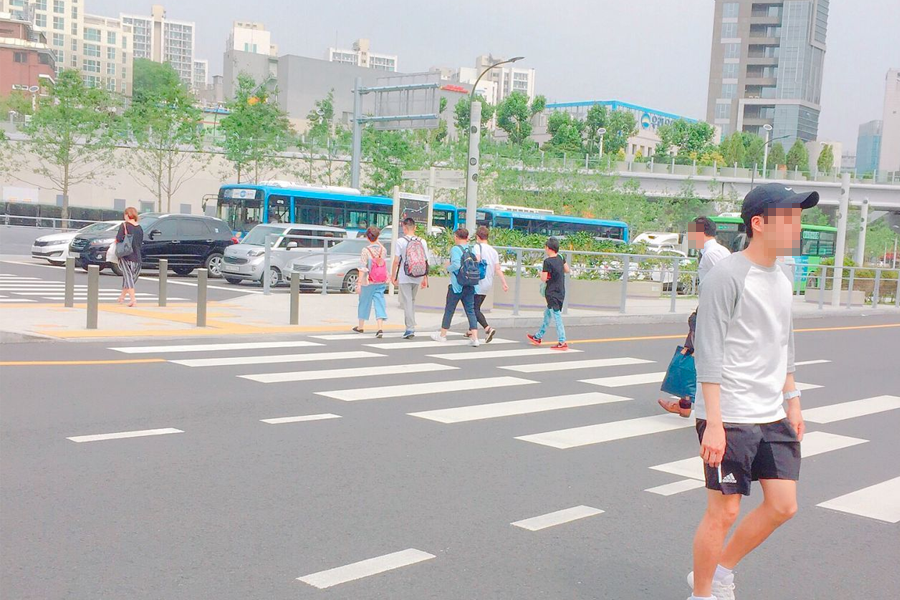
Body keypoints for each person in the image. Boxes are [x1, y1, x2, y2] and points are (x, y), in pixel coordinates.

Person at [687, 183, 816, 600]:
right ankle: (703, 593)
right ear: (758, 224)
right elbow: (709, 351)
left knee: (783, 505)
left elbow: (784, 342)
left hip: (770, 411)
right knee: (723, 511)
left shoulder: (781, 278)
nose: (797, 225)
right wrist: (714, 423)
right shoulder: (727, 276)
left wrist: (792, 399)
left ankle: (721, 570)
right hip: (731, 412)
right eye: (789, 216)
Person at [659, 217, 731, 417]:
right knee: (691, 353)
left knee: (697, 356)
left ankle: (696, 405)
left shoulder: (713, 253)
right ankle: (685, 403)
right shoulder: (712, 252)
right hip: (707, 310)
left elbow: (728, 281)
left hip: (712, 312)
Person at [431, 228, 480, 347]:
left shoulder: (455, 249)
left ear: (457, 237)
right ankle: (475, 338)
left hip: (457, 285)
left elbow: (457, 265)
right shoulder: (471, 248)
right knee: (470, 310)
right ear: (467, 237)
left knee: (449, 310)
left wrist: (447, 267)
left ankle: (442, 335)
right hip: (470, 284)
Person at [527, 237, 569, 350]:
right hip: (560, 291)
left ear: (548, 248)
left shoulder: (547, 262)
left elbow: (543, 278)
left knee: (556, 316)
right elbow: (567, 270)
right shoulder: (561, 257)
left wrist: (540, 271)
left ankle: (562, 341)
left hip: (551, 293)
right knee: (547, 315)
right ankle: (538, 336)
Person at [392, 217, 429, 339]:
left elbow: (396, 261)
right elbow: (425, 261)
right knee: (412, 300)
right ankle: (412, 323)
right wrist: (425, 278)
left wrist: (393, 276)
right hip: (418, 274)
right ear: (415, 228)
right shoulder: (422, 241)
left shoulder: (400, 241)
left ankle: (409, 328)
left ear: (404, 227)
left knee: (407, 301)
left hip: (405, 274)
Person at [472, 226, 508, 343]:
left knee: (473, 308)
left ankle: (487, 328)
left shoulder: (477, 247)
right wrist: (504, 282)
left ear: (477, 237)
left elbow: (476, 260)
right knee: (476, 306)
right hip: (487, 283)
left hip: (477, 282)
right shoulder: (493, 251)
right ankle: (470, 330)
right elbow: (497, 269)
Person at [352, 226, 388, 338]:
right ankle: (380, 327)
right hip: (380, 281)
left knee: (364, 302)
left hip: (368, 281)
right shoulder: (383, 250)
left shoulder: (365, 250)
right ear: (378, 237)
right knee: (380, 302)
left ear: (367, 237)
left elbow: (362, 268)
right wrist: (378, 241)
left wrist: (358, 284)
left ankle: (361, 326)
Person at [115, 208, 143, 307]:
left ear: (127, 215)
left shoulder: (124, 226)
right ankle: (122, 297)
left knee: (128, 277)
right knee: (129, 278)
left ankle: (133, 300)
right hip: (137, 257)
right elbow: (140, 243)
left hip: (126, 256)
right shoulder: (139, 228)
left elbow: (118, 239)